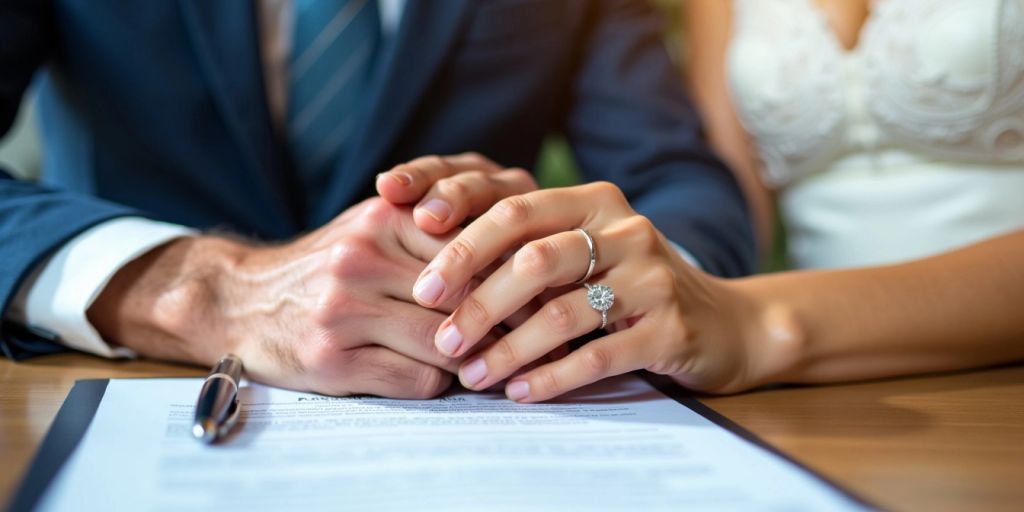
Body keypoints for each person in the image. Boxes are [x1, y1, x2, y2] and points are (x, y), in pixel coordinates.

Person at [0, 1, 755, 398]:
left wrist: (595, 292)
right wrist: (203, 292)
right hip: (136, 387)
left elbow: (682, 183)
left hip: (475, 407)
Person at [384, 0, 1024, 402]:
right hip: (823, 388)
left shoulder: (765, 326)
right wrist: (614, 283)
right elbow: (721, 192)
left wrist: (759, 323)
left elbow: (734, 309)